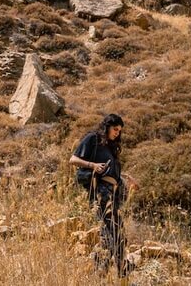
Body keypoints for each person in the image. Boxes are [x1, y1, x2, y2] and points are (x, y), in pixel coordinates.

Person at [69, 113, 140, 278]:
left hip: (113, 193)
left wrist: (126, 178)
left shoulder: (110, 146)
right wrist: (92, 165)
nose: (117, 133)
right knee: (117, 230)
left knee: (109, 235)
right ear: (107, 127)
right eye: (115, 129)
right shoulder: (93, 138)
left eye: (119, 130)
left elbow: (110, 172)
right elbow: (73, 159)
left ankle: (100, 271)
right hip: (100, 191)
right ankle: (122, 268)